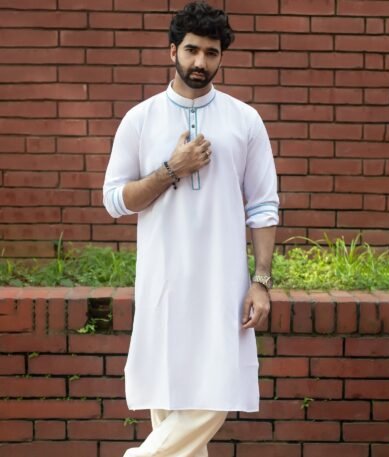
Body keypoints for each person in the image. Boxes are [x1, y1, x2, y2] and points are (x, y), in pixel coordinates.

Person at [103, 1, 279, 455]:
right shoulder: (141, 119)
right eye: (192, 50)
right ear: (173, 51)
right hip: (163, 283)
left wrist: (261, 281)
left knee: (216, 392)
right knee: (168, 399)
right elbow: (115, 201)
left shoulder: (245, 120)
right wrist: (171, 170)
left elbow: (263, 207)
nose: (201, 61)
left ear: (221, 58)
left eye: (211, 53)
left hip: (224, 285)